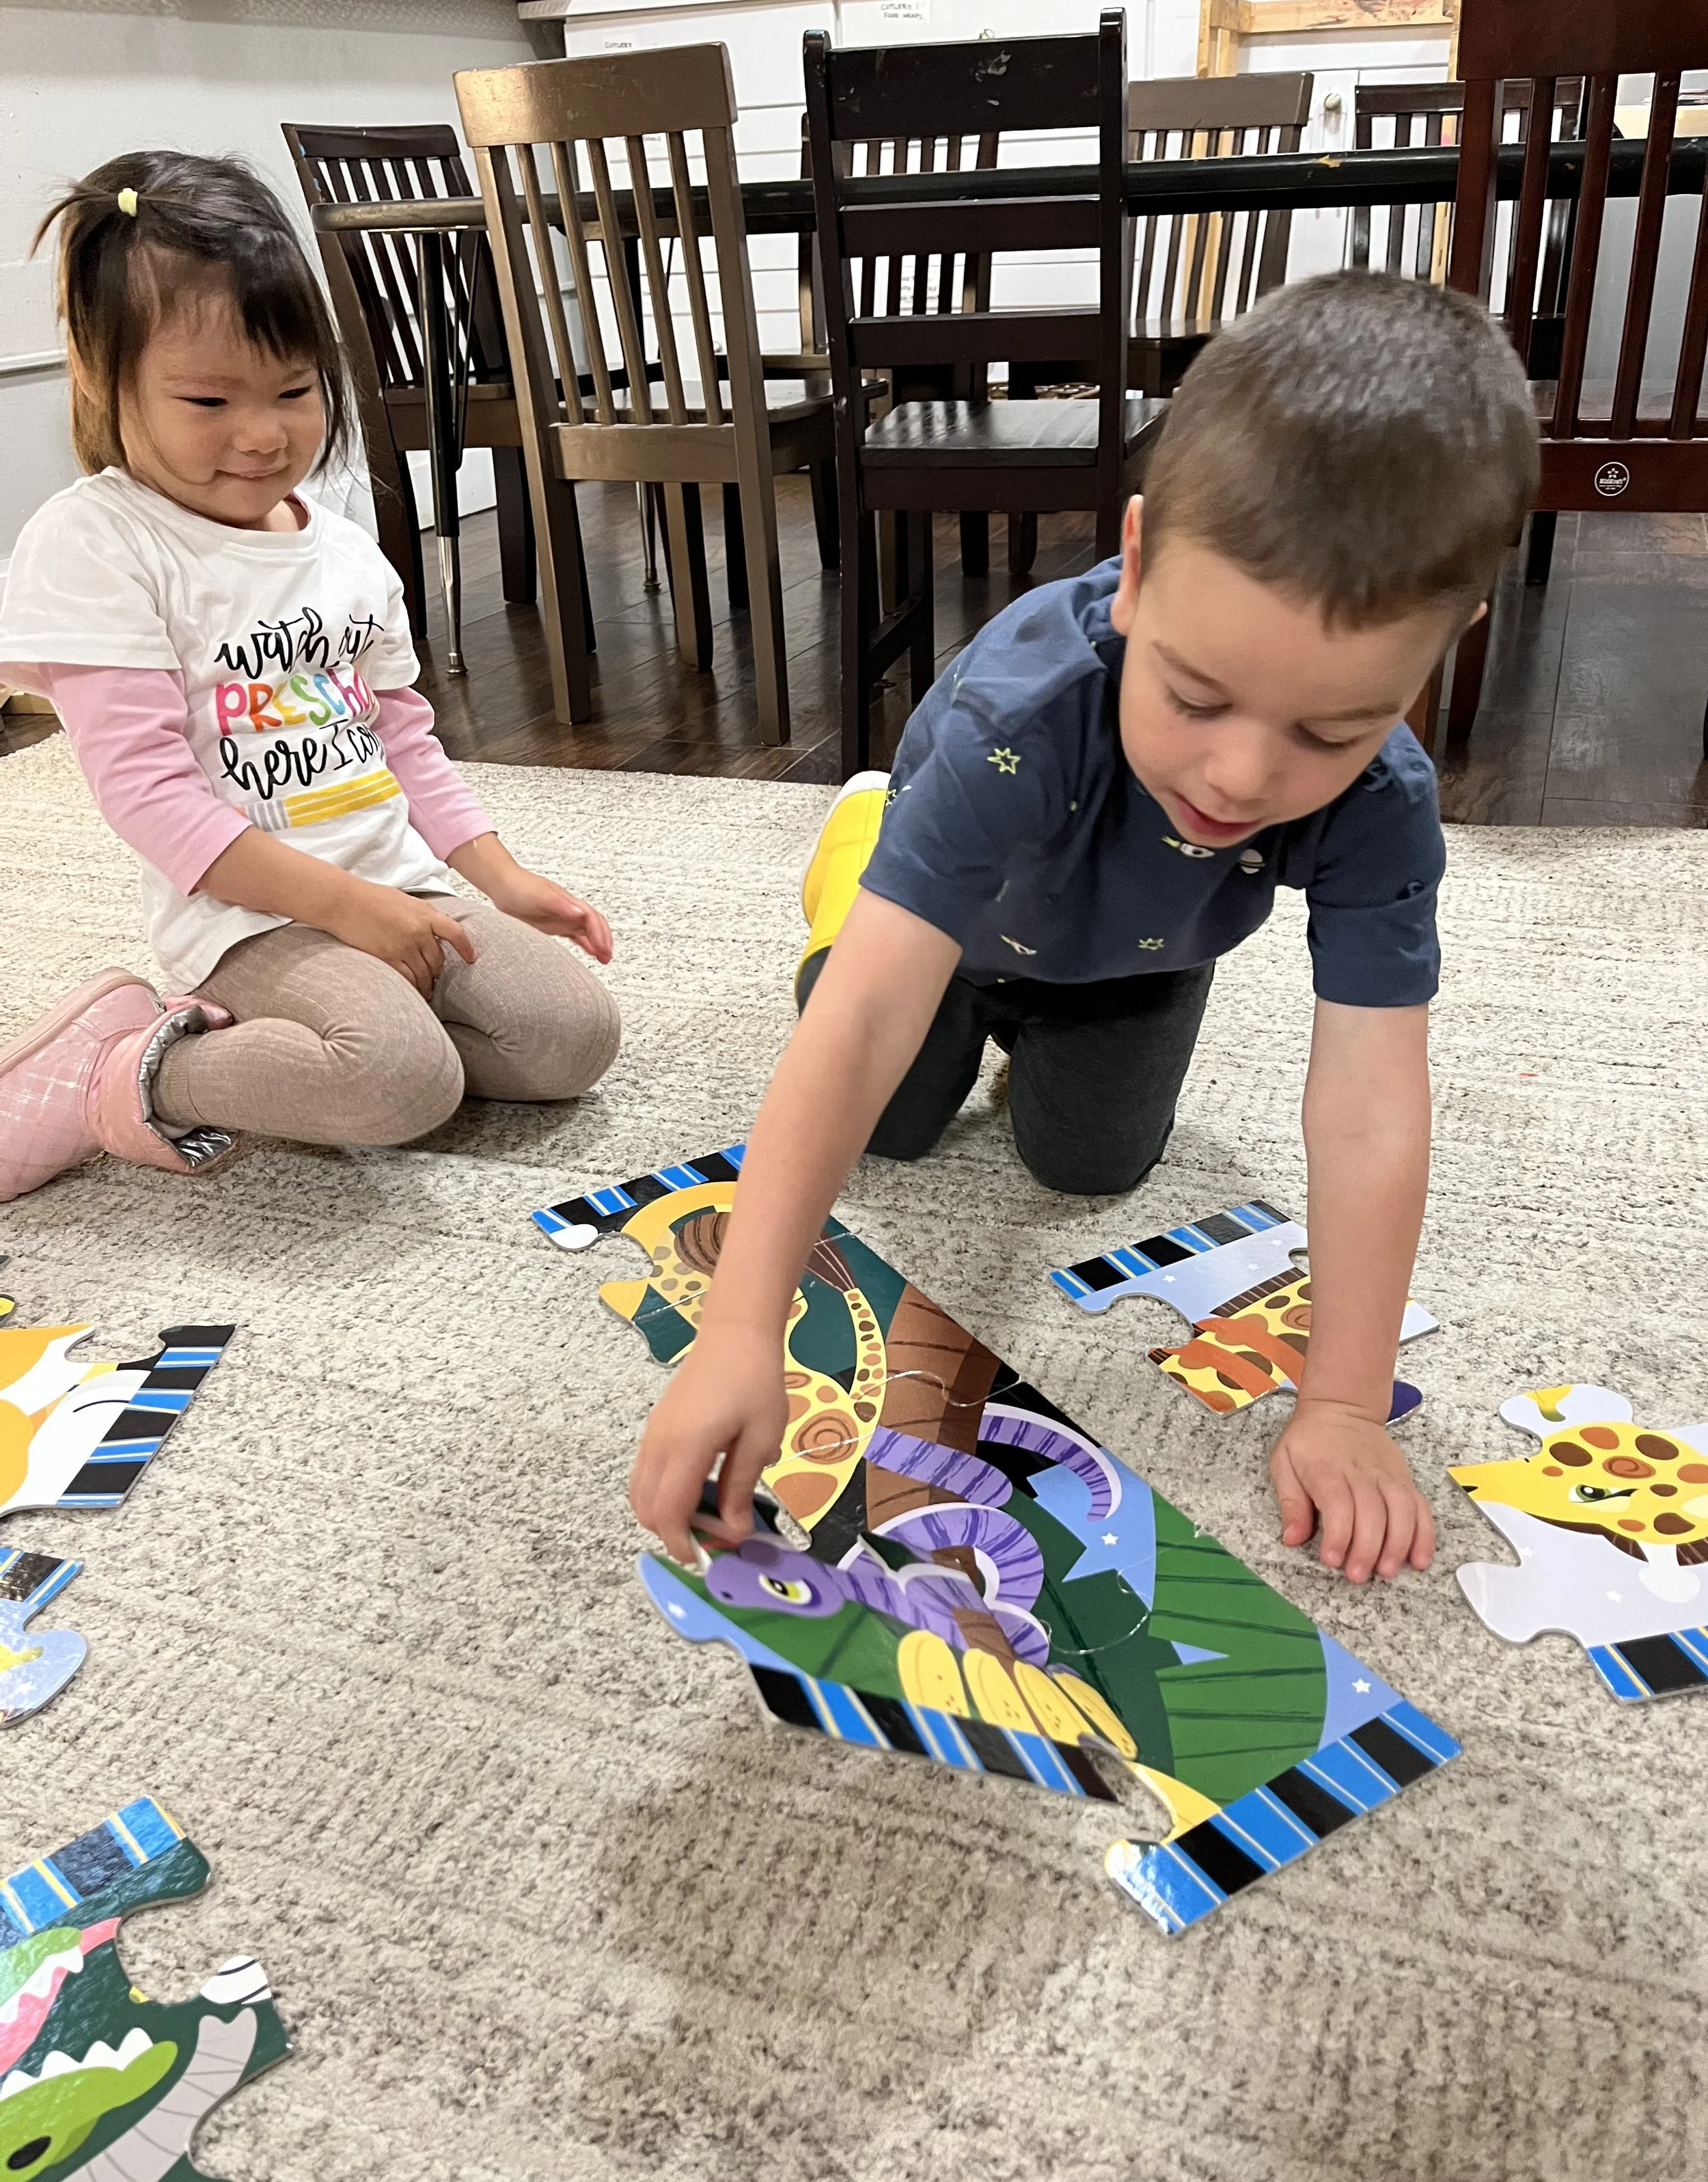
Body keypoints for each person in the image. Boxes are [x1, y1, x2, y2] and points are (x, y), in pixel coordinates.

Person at [629, 268, 1539, 1590]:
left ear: (1449, 644)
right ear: (1133, 564)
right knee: (886, 1112)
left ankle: (1019, 935)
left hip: (1141, 957)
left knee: (1093, 1169)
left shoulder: (1387, 804)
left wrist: (1344, 1403)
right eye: (1197, 694)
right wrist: (743, 1325)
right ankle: (870, 843)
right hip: (953, 933)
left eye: (1327, 732)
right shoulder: (1027, 708)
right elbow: (868, 1013)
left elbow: (1371, 1100)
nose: (1238, 778)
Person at [0, 150, 618, 1202]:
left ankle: (351, 1023)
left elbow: (401, 736)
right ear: (108, 381)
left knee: (572, 1041)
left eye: (294, 391)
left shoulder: (338, 545)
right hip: (253, 920)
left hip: (397, 886)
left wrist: (505, 881)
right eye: (206, 399)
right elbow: (151, 802)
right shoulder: (98, 542)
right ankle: (130, 1072)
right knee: (397, 1083)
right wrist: (344, 910)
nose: (262, 433)